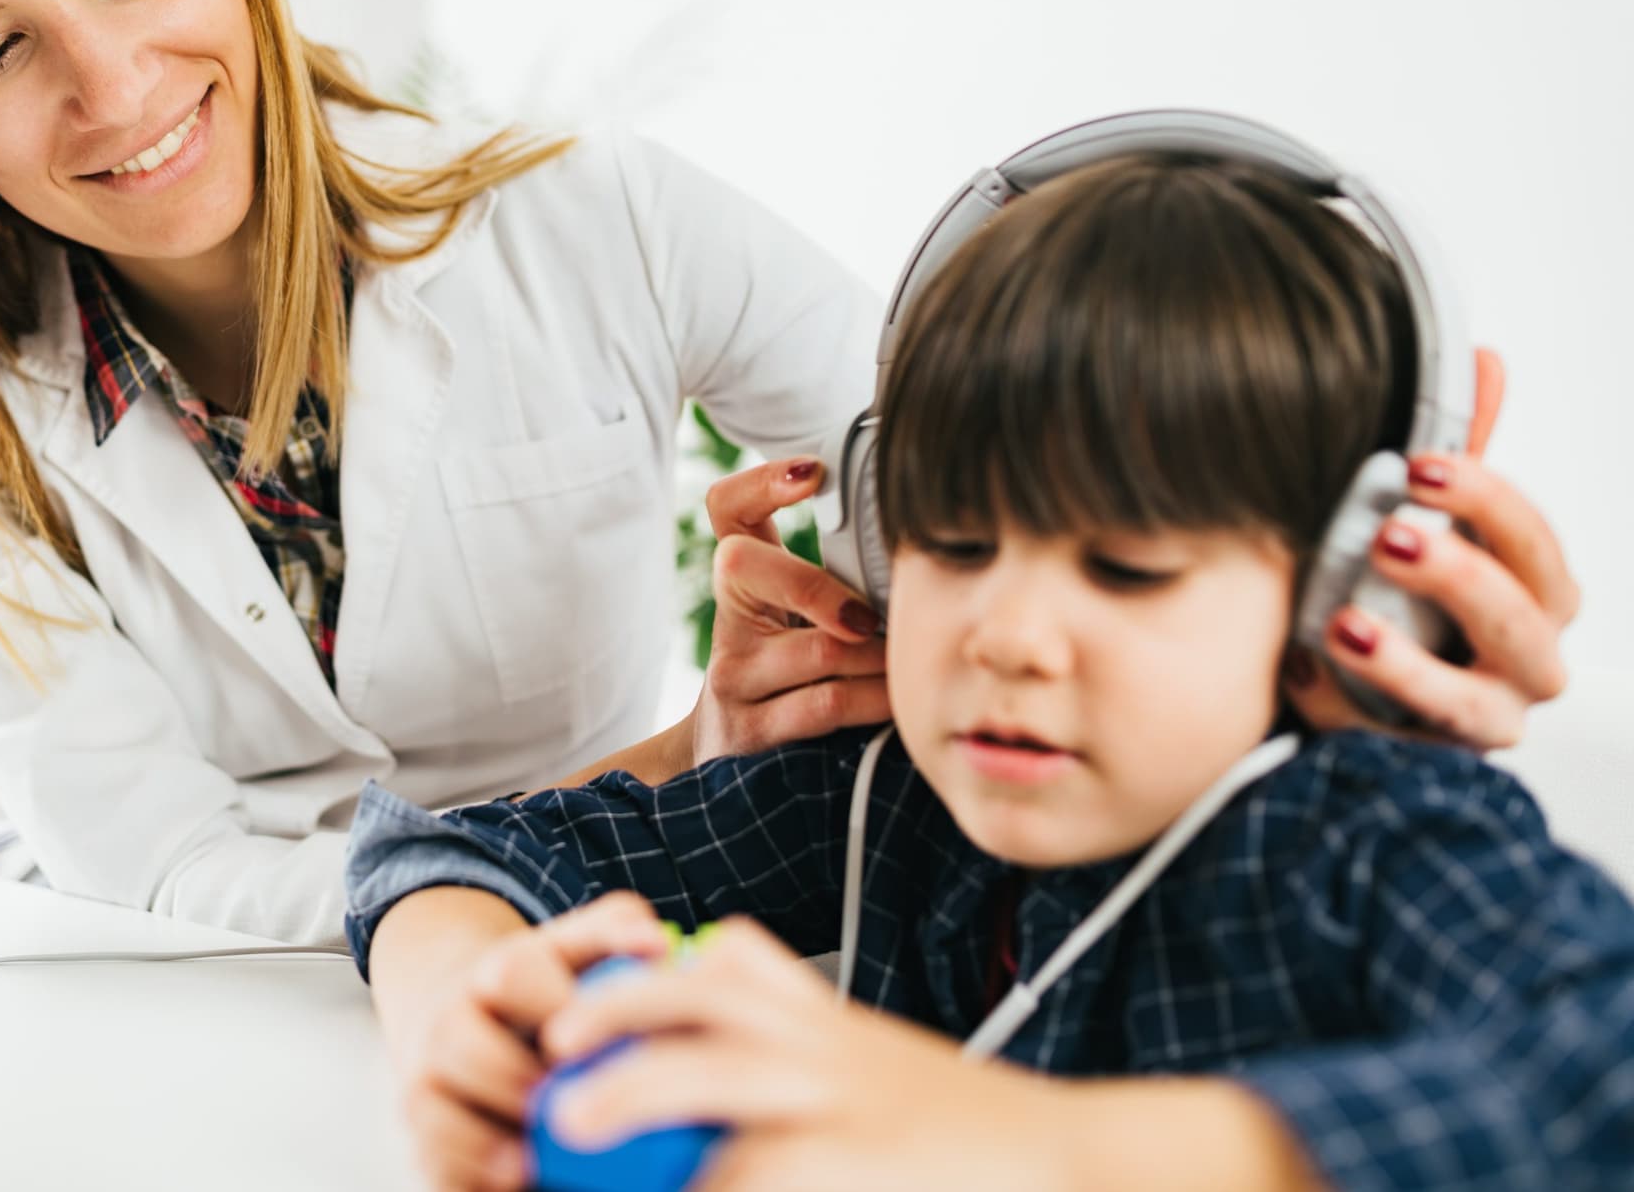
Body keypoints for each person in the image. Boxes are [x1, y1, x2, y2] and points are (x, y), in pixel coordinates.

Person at [0, 0, 1578, 947]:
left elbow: (934, 464)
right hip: (237, 1022)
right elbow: (161, 880)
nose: (116, 89)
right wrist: (664, 764)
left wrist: (1294, 632)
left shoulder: (584, 216)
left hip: (642, 938)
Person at [344, 151, 1634, 1191]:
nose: (1005, 636)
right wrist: (465, 1008)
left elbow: (1601, 1065)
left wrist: (1003, 1136)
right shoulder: (885, 798)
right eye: (954, 546)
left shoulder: (1367, 835)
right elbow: (435, 852)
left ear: (1339, 593)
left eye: (1127, 569)